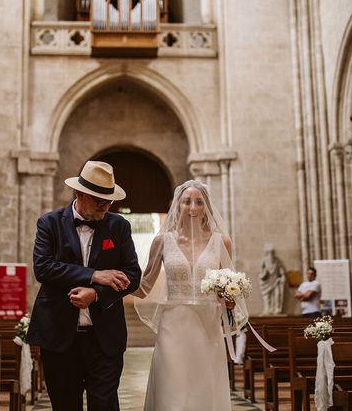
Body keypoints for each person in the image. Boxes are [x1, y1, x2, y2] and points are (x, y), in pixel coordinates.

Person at [26, 160, 141, 411]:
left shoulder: (118, 226)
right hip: (59, 335)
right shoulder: (50, 223)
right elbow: (43, 268)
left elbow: (133, 274)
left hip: (104, 338)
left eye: (109, 201)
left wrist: (96, 295)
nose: (107, 207)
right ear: (81, 194)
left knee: (104, 406)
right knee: (65, 405)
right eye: (101, 201)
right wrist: (94, 275)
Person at [133, 180, 245, 411]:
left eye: (198, 202)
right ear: (178, 205)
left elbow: (229, 287)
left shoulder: (221, 242)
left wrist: (229, 298)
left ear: (206, 207)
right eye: (187, 202)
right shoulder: (162, 241)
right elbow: (144, 286)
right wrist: (116, 279)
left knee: (204, 382)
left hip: (207, 324)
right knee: (172, 382)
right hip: (174, 322)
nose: (192, 208)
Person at [259, 243, 287, 315]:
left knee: (277, 294)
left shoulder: (277, 261)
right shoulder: (264, 261)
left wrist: (283, 276)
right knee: (267, 296)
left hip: (276, 280)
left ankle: (277, 309)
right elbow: (261, 271)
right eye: (269, 252)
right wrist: (263, 274)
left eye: (272, 252)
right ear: (267, 253)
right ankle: (267, 309)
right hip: (267, 281)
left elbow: (281, 270)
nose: (271, 254)